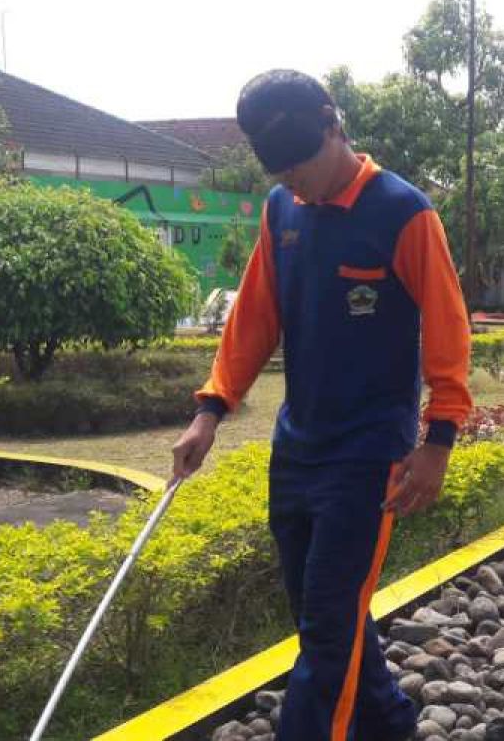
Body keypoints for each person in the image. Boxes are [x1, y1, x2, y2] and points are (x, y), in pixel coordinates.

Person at [170, 70, 471, 741]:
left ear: (334, 128)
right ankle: (391, 724)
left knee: (328, 636)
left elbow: (450, 331)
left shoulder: (404, 212)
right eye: (280, 174)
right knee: (320, 613)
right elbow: (254, 318)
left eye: (300, 167)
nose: (294, 184)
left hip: (369, 455)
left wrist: (438, 441)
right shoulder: (284, 213)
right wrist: (210, 409)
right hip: (298, 446)